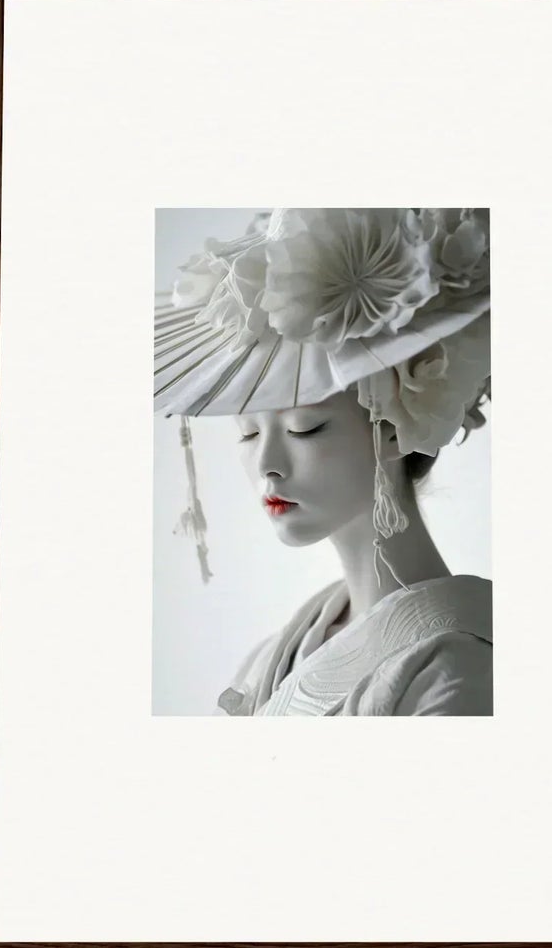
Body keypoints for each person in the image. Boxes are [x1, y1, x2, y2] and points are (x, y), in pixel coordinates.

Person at [154, 207, 492, 716]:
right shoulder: (275, 652)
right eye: (247, 433)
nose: (266, 463)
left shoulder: (454, 668)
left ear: (399, 423)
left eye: (303, 428)